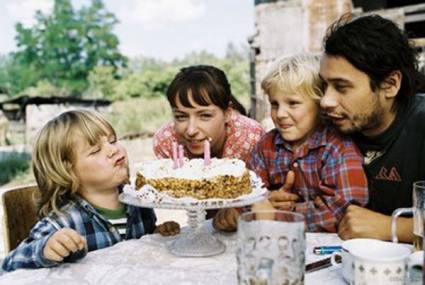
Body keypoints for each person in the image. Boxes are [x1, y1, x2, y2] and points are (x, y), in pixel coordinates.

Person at [2, 110, 180, 272]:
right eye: (95, 150)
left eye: (112, 140)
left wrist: (155, 234)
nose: (113, 150)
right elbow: (7, 267)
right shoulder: (62, 222)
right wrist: (44, 249)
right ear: (67, 171)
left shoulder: (140, 203)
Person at [213, 53, 368, 232]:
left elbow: (343, 212)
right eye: (274, 104)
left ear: (320, 105)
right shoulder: (266, 146)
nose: (280, 114)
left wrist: (279, 215)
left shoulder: (337, 146)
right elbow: (245, 195)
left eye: (293, 103)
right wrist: (248, 207)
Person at [319, 15, 425, 242]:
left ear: (390, 84)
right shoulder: (327, 129)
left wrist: (393, 227)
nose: (325, 101)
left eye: (341, 87)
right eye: (324, 85)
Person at [153, 65, 265, 163]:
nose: (191, 131)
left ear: (227, 114)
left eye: (205, 116)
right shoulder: (166, 142)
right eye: (181, 117)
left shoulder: (251, 139)